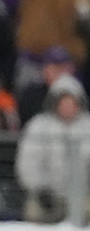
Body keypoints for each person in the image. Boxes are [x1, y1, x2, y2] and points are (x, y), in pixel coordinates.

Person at [16, 74, 90, 223]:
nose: (68, 107)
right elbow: (27, 164)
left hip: (84, 195)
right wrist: (42, 190)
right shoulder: (38, 126)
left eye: (72, 102)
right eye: (63, 102)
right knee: (34, 212)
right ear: (55, 103)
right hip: (48, 195)